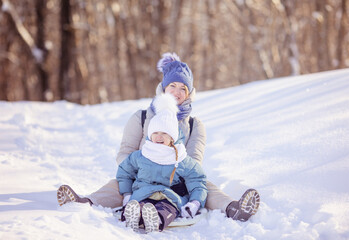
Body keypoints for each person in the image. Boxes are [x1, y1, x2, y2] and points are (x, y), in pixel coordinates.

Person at [57, 52, 260, 222]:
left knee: (204, 185)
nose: (177, 92)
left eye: (183, 88)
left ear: (189, 94)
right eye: (173, 86)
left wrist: (168, 170)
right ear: (163, 87)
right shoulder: (141, 117)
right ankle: (85, 202)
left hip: (176, 180)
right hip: (142, 178)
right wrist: (143, 168)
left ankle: (234, 208)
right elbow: (125, 152)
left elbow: (194, 161)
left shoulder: (194, 125)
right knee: (118, 183)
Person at [117, 93, 207, 232]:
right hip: (143, 194)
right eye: (156, 132)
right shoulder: (141, 155)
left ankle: (157, 219)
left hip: (169, 197)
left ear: (172, 137)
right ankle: (133, 216)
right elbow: (125, 172)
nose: (159, 136)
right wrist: (127, 195)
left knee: (167, 209)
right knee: (138, 205)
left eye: (165, 133)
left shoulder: (181, 158)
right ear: (150, 134)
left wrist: (195, 202)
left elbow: (197, 180)